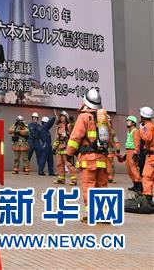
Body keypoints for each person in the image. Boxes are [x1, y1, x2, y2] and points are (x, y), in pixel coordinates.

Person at [66, 88, 113, 223]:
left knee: (89, 187)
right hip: (102, 160)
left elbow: (76, 137)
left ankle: (93, 215)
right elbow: (109, 139)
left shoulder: (84, 117)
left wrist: (69, 154)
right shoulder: (104, 118)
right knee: (102, 187)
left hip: (88, 160)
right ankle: (105, 215)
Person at [53, 110, 76, 185]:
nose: (62, 118)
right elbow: (56, 138)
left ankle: (73, 179)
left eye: (63, 117)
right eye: (61, 117)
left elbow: (73, 130)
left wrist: (72, 121)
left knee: (69, 164)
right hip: (59, 148)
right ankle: (61, 179)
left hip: (67, 148)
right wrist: (54, 147)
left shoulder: (68, 126)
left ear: (66, 118)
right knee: (59, 164)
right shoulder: (58, 127)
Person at [138, 106, 154, 208]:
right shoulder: (152, 125)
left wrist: (140, 130)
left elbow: (147, 138)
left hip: (151, 156)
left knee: (147, 177)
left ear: (143, 117)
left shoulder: (147, 126)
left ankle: (148, 198)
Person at [125, 115, 142, 193]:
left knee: (133, 169)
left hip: (132, 151)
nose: (127, 122)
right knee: (129, 170)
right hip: (128, 151)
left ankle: (139, 186)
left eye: (128, 121)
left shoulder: (135, 131)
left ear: (133, 123)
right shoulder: (129, 131)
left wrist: (135, 153)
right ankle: (135, 185)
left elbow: (137, 143)